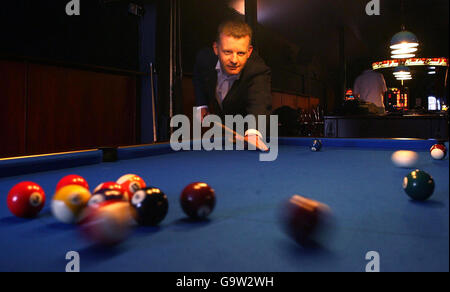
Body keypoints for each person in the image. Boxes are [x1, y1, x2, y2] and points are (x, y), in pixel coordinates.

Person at [193, 20, 272, 150]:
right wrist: (202, 104)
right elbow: (198, 76)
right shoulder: (204, 59)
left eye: (241, 53)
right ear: (216, 49)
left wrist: (253, 132)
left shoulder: (257, 70)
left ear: (249, 51)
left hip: (249, 129)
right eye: (228, 52)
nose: (234, 60)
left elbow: (260, 102)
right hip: (225, 130)